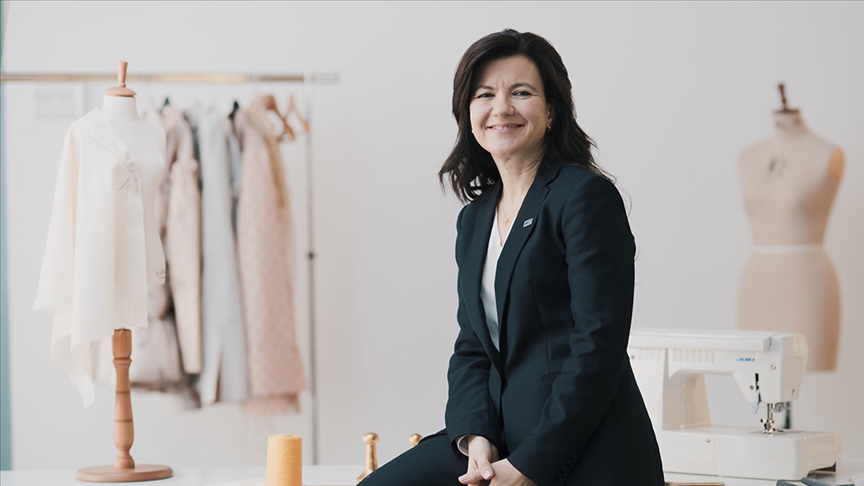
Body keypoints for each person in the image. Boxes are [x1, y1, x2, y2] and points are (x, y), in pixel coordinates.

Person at [360, 29, 664, 485]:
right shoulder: (474, 219)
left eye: (521, 93)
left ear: (552, 110)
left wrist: (529, 465)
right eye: (485, 95)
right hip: (498, 438)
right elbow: (472, 346)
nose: (501, 108)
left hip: (578, 445)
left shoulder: (584, 197)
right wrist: (474, 436)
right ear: (468, 113)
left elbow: (598, 345)